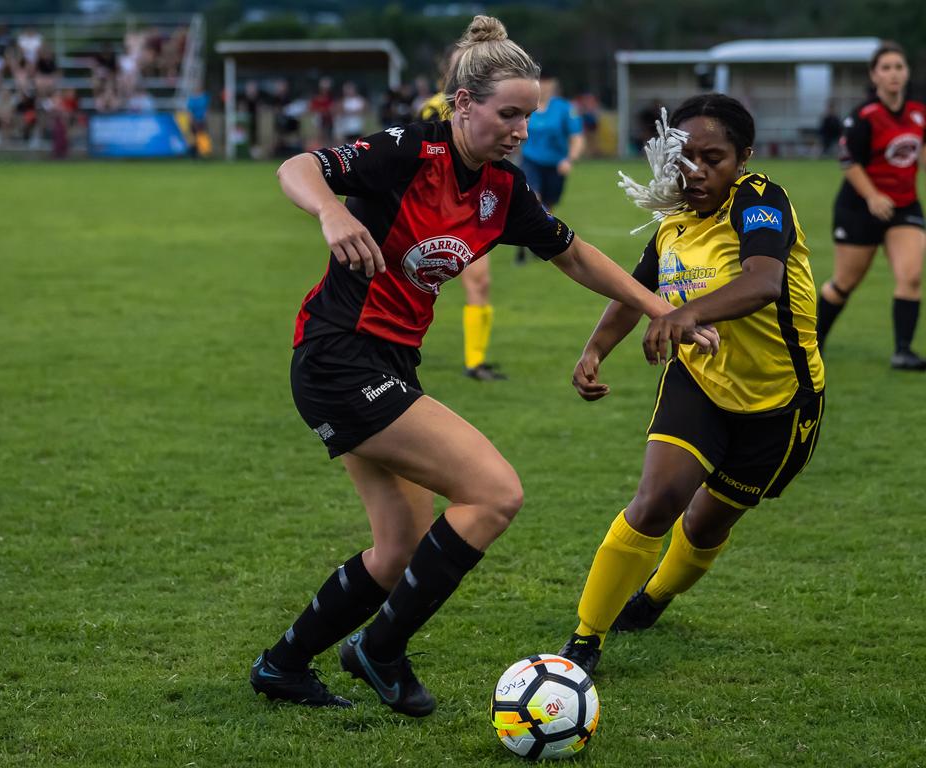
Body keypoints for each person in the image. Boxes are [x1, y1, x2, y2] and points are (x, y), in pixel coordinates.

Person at [249, 15, 714, 716]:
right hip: (339, 357)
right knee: (494, 494)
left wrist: (660, 309)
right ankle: (379, 650)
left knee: (396, 549)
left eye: (530, 115)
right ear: (463, 105)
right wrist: (331, 215)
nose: (520, 129)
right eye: (508, 114)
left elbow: (575, 253)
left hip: (389, 364)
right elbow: (299, 167)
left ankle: (281, 666)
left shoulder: (504, 189)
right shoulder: (410, 149)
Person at [557, 94, 825, 676]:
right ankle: (584, 640)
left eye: (714, 157)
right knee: (657, 500)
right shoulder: (673, 225)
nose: (696, 171)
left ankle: (653, 598)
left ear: (743, 158)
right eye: (684, 157)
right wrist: (595, 348)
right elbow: (635, 293)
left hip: (781, 402)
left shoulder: (760, 200)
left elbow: (764, 283)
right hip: (699, 383)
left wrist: (684, 314)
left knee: (706, 524)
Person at [816, 42, 926, 371]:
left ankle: (903, 351)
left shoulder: (919, 113)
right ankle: (814, 341)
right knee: (844, 283)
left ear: (907, 73)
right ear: (874, 75)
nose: (894, 73)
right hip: (858, 208)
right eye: (886, 67)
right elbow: (848, 161)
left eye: (899, 67)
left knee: (912, 275)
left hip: (904, 206)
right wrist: (873, 196)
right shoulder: (864, 116)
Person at [420, 47, 505, 380]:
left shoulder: (485, 108)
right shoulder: (432, 109)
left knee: (480, 283)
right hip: (430, 213)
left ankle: (475, 362)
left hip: (469, 210)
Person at [514, 70, 585, 265]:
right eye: (540, 81)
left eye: (547, 81)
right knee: (532, 200)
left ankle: (538, 243)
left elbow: (577, 137)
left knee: (548, 207)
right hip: (531, 162)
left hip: (555, 165)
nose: (543, 85)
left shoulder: (565, 108)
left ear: (554, 84)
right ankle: (522, 247)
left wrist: (569, 159)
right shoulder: (527, 105)